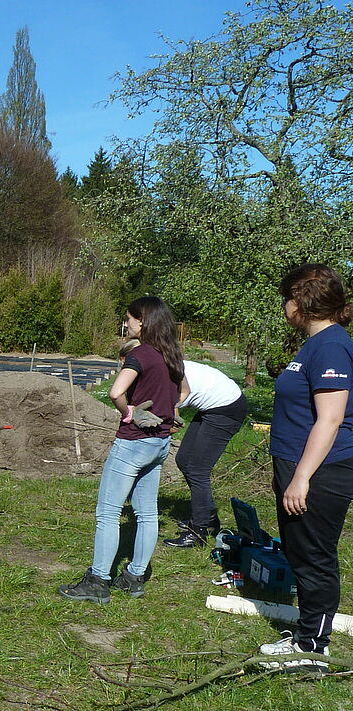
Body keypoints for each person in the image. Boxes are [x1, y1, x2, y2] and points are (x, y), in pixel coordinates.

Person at [257, 264, 353, 673]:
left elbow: (330, 419)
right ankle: (307, 634)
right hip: (301, 465)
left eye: (286, 298)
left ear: (300, 303)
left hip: (322, 471)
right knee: (301, 552)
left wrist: (301, 478)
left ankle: (313, 650)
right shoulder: (315, 344)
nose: (284, 306)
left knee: (314, 556)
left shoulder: (331, 346)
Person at [59, 297, 186, 603]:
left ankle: (99, 580)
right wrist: (171, 412)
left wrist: (129, 413)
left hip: (132, 442)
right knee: (146, 513)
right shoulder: (172, 353)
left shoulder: (141, 353)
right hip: (159, 443)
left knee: (108, 512)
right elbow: (185, 392)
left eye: (129, 319)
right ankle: (134, 577)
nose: (126, 324)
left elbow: (116, 391)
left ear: (143, 321)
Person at [149, 346, 249, 548]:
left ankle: (198, 531)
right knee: (184, 460)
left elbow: (170, 414)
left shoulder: (165, 372)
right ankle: (208, 517)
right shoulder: (159, 370)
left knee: (197, 469)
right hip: (211, 407)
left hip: (226, 407)